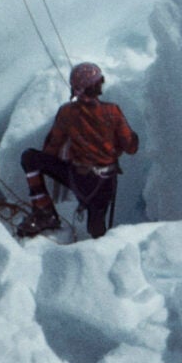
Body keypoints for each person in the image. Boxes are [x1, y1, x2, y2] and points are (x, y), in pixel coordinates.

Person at [20, 63, 139, 238]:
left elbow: (51, 149)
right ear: (98, 86)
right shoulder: (113, 111)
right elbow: (131, 147)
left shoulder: (67, 112)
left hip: (77, 178)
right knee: (97, 229)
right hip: (104, 183)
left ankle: (44, 211)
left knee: (30, 158)